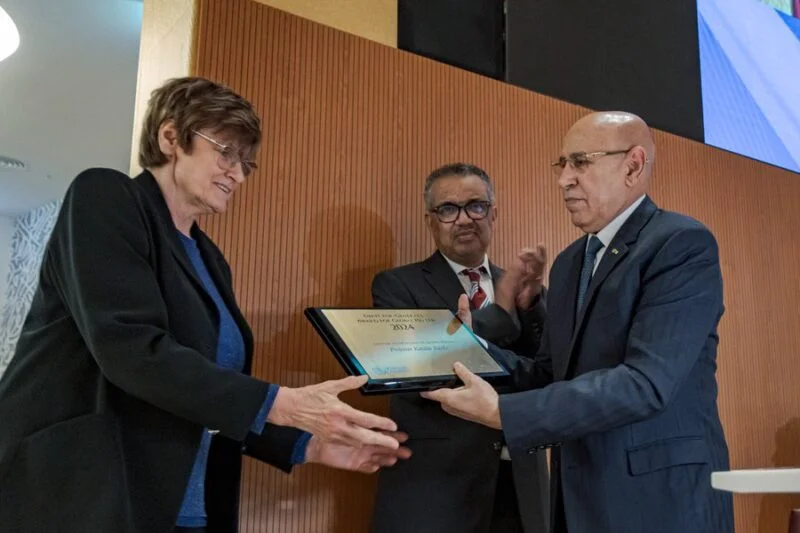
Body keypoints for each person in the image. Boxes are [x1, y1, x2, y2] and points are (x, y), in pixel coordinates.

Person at [0, 77, 410, 533]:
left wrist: (305, 446)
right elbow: (130, 350)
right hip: (87, 496)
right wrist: (286, 405)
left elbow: (207, 391)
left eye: (246, 162)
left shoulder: (210, 258)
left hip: (184, 505)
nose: (238, 174)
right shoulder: (106, 196)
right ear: (170, 138)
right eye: (226, 153)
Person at [423, 112, 734, 533]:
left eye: (581, 162)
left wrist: (504, 413)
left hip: (661, 502)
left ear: (633, 165)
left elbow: (646, 383)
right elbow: (550, 373)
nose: (563, 180)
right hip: (579, 498)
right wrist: (469, 351)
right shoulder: (570, 262)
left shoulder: (680, 244)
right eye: (562, 164)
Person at [370, 163, 549, 533]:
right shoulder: (397, 286)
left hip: (520, 488)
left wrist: (529, 304)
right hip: (436, 492)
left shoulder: (523, 288)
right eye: (448, 209)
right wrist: (500, 313)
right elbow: (423, 370)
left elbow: (545, 375)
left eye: (476, 206)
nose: (464, 219)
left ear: (493, 214)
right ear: (430, 221)